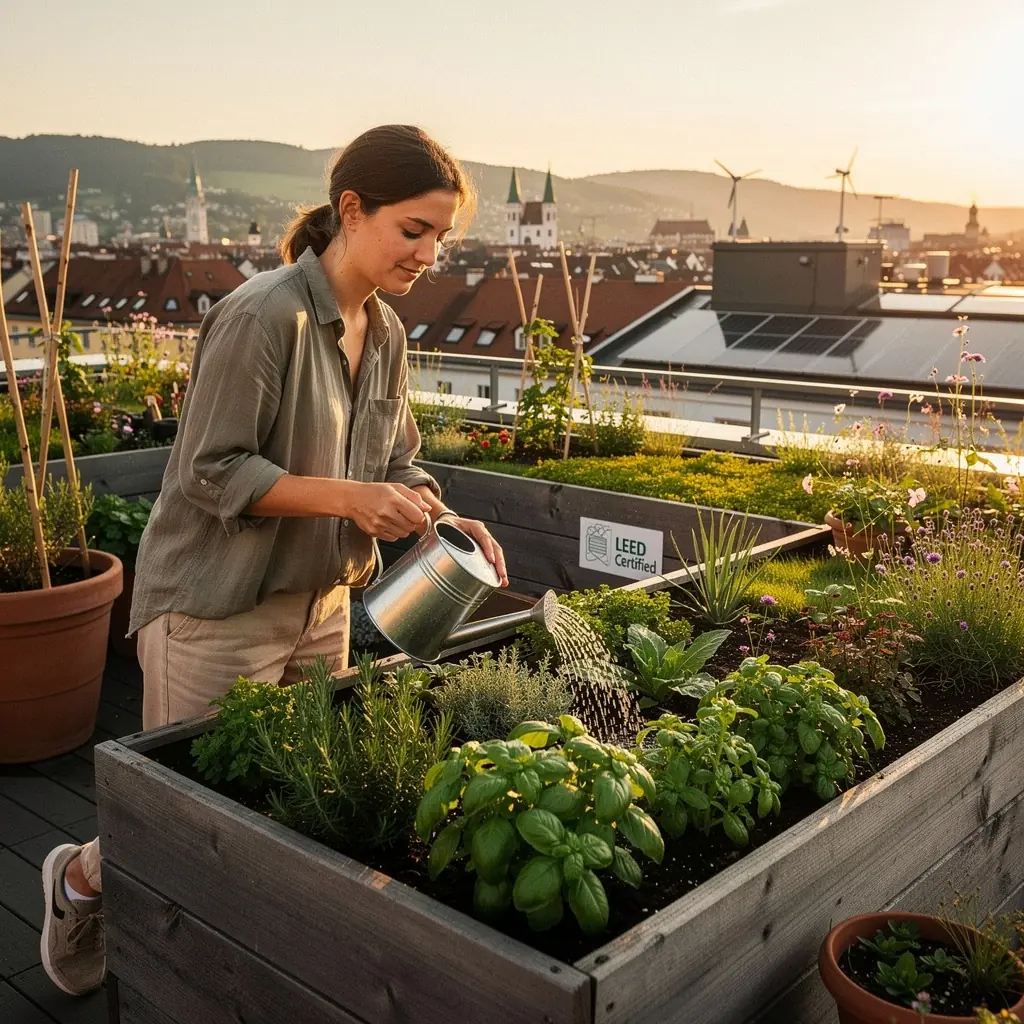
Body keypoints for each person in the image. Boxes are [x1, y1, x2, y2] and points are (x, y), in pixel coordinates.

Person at [39, 124, 508, 997]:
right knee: (182, 813)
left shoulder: (388, 331)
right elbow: (210, 470)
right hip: (215, 606)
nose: (429, 254)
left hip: (323, 608)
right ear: (351, 210)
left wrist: (443, 513)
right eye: (413, 230)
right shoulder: (264, 314)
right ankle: (80, 882)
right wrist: (351, 498)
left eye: (441, 237)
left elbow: (394, 461)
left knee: (284, 806)